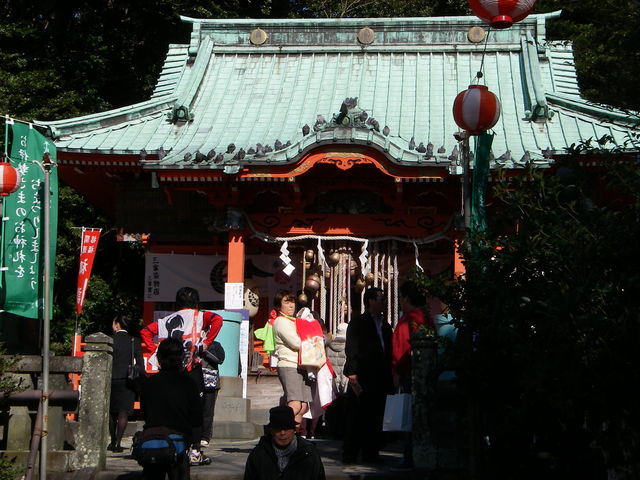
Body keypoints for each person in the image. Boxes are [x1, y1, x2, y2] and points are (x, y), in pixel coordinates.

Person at [141, 286, 222, 465]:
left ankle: (168, 445)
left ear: (177, 303)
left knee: (167, 406)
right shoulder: (199, 316)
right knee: (195, 409)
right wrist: (206, 342)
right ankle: (194, 451)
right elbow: (217, 319)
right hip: (191, 368)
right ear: (197, 302)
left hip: (167, 370)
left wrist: (155, 350)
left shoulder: (165, 320)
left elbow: (145, 331)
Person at [342, 287, 393, 464]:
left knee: (376, 415)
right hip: (362, 374)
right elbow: (352, 348)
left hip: (380, 375)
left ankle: (371, 452)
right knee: (356, 415)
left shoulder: (385, 326)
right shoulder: (358, 323)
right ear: (370, 301)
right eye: (381, 299)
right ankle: (350, 452)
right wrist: (352, 372)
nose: (383, 302)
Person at [139, 338, 202, 480]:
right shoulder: (189, 384)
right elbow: (197, 419)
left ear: (159, 357)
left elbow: (145, 414)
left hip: (153, 441)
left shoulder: (149, 384)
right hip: (179, 440)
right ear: (182, 358)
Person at [391, 280, 431, 469]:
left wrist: (396, 371)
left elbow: (400, 349)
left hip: (408, 373)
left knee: (408, 415)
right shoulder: (426, 317)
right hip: (426, 372)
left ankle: (409, 455)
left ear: (406, 298)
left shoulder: (408, 319)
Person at [243, 405, 326, 480]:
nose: (282, 433)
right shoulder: (258, 454)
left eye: (287, 428)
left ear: (294, 430)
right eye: (278, 428)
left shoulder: (309, 453)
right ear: (271, 431)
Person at [272, 290, 312, 427]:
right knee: (295, 404)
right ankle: (277, 430)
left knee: (303, 406)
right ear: (279, 306)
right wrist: (314, 342)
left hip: (301, 365)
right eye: (286, 302)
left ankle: (294, 435)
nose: (291, 305)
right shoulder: (281, 321)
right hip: (289, 365)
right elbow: (296, 343)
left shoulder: (295, 321)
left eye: (293, 302)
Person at [109, 315, 145, 453]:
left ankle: (112, 440)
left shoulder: (110, 340)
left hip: (112, 378)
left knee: (111, 411)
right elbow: (140, 363)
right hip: (128, 379)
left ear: (117, 325)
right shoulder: (134, 341)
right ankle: (118, 442)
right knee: (123, 412)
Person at [324, 322, 348, 439]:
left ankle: (331, 430)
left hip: (331, 379)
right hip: (344, 380)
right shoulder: (349, 345)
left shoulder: (328, 345)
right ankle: (342, 430)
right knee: (344, 407)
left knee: (331, 406)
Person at [200, 340, 225, 447]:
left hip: (210, 381)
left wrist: (205, 350)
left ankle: (205, 436)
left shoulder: (215, 344)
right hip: (194, 380)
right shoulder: (191, 342)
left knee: (208, 410)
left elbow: (220, 359)